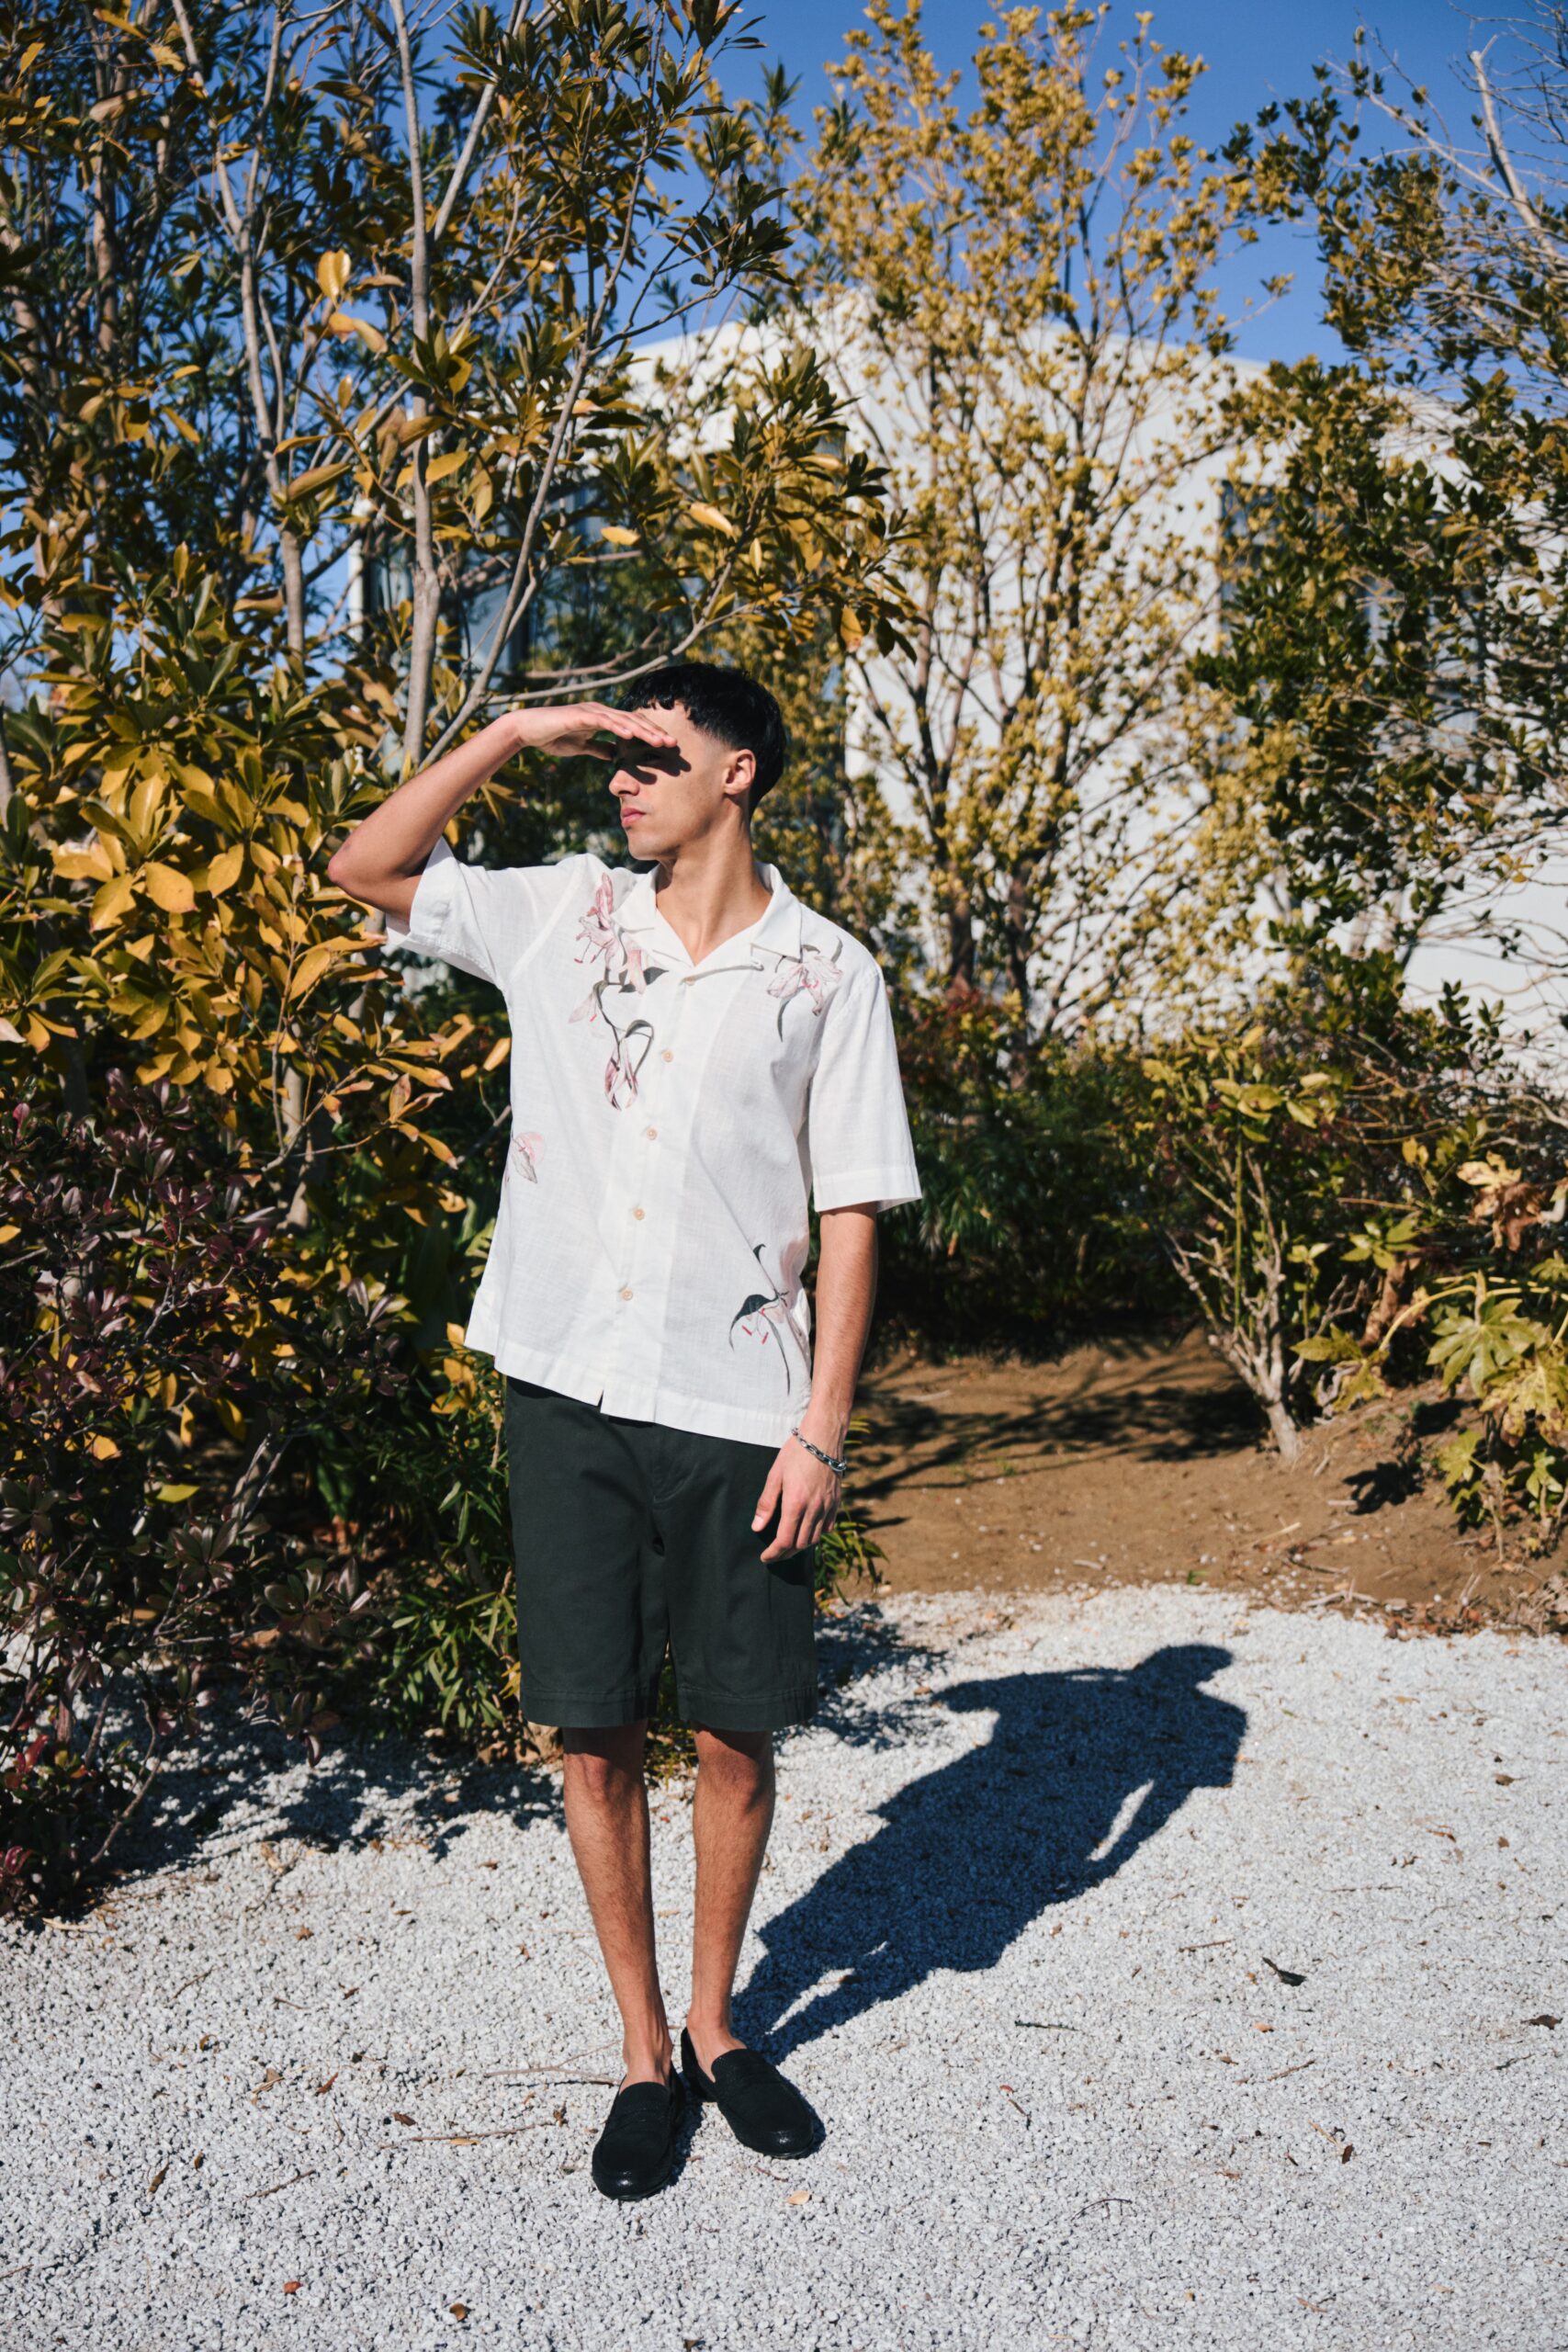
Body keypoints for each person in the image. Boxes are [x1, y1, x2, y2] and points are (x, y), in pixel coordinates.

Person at [328, 662, 920, 2199]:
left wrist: (823, 1427)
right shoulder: (563, 914)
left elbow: (853, 1208)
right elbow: (368, 867)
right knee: (592, 1736)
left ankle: (720, 2029)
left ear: (740, 773)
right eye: (616, 755)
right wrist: (516, 730)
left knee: (734, 1734)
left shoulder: (828, 975)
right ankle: (644, 2056)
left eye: (655, 752)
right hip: (568, 1388)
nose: (623, 777)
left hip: (740, 1407)